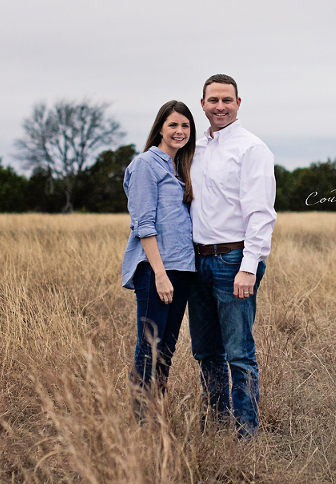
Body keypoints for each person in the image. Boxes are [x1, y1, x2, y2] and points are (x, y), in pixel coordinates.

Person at [188, 74, 276, 438]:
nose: (219, 106)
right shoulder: (196, 149)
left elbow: (260, 214)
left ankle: (246, 432)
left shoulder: (251, 148)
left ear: (239, 103)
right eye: (213, 100)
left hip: (233, 260)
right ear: (203, 104)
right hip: (196, 262)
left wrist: (248, 268)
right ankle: (218, 421)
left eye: (227, 100)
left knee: (239, 353)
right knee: (207, 352)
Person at [121, 100, 197, 419]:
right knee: (148, 346)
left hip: (182, 270)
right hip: (156, 271)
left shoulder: (179, 167)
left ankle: (158, 409)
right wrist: (160, 274)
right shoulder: (145, 164)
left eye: (185, 126)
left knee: (166, 346)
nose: (179, 131)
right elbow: (143, 224)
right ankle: (139, 419)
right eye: (173, 125)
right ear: (160, 128)